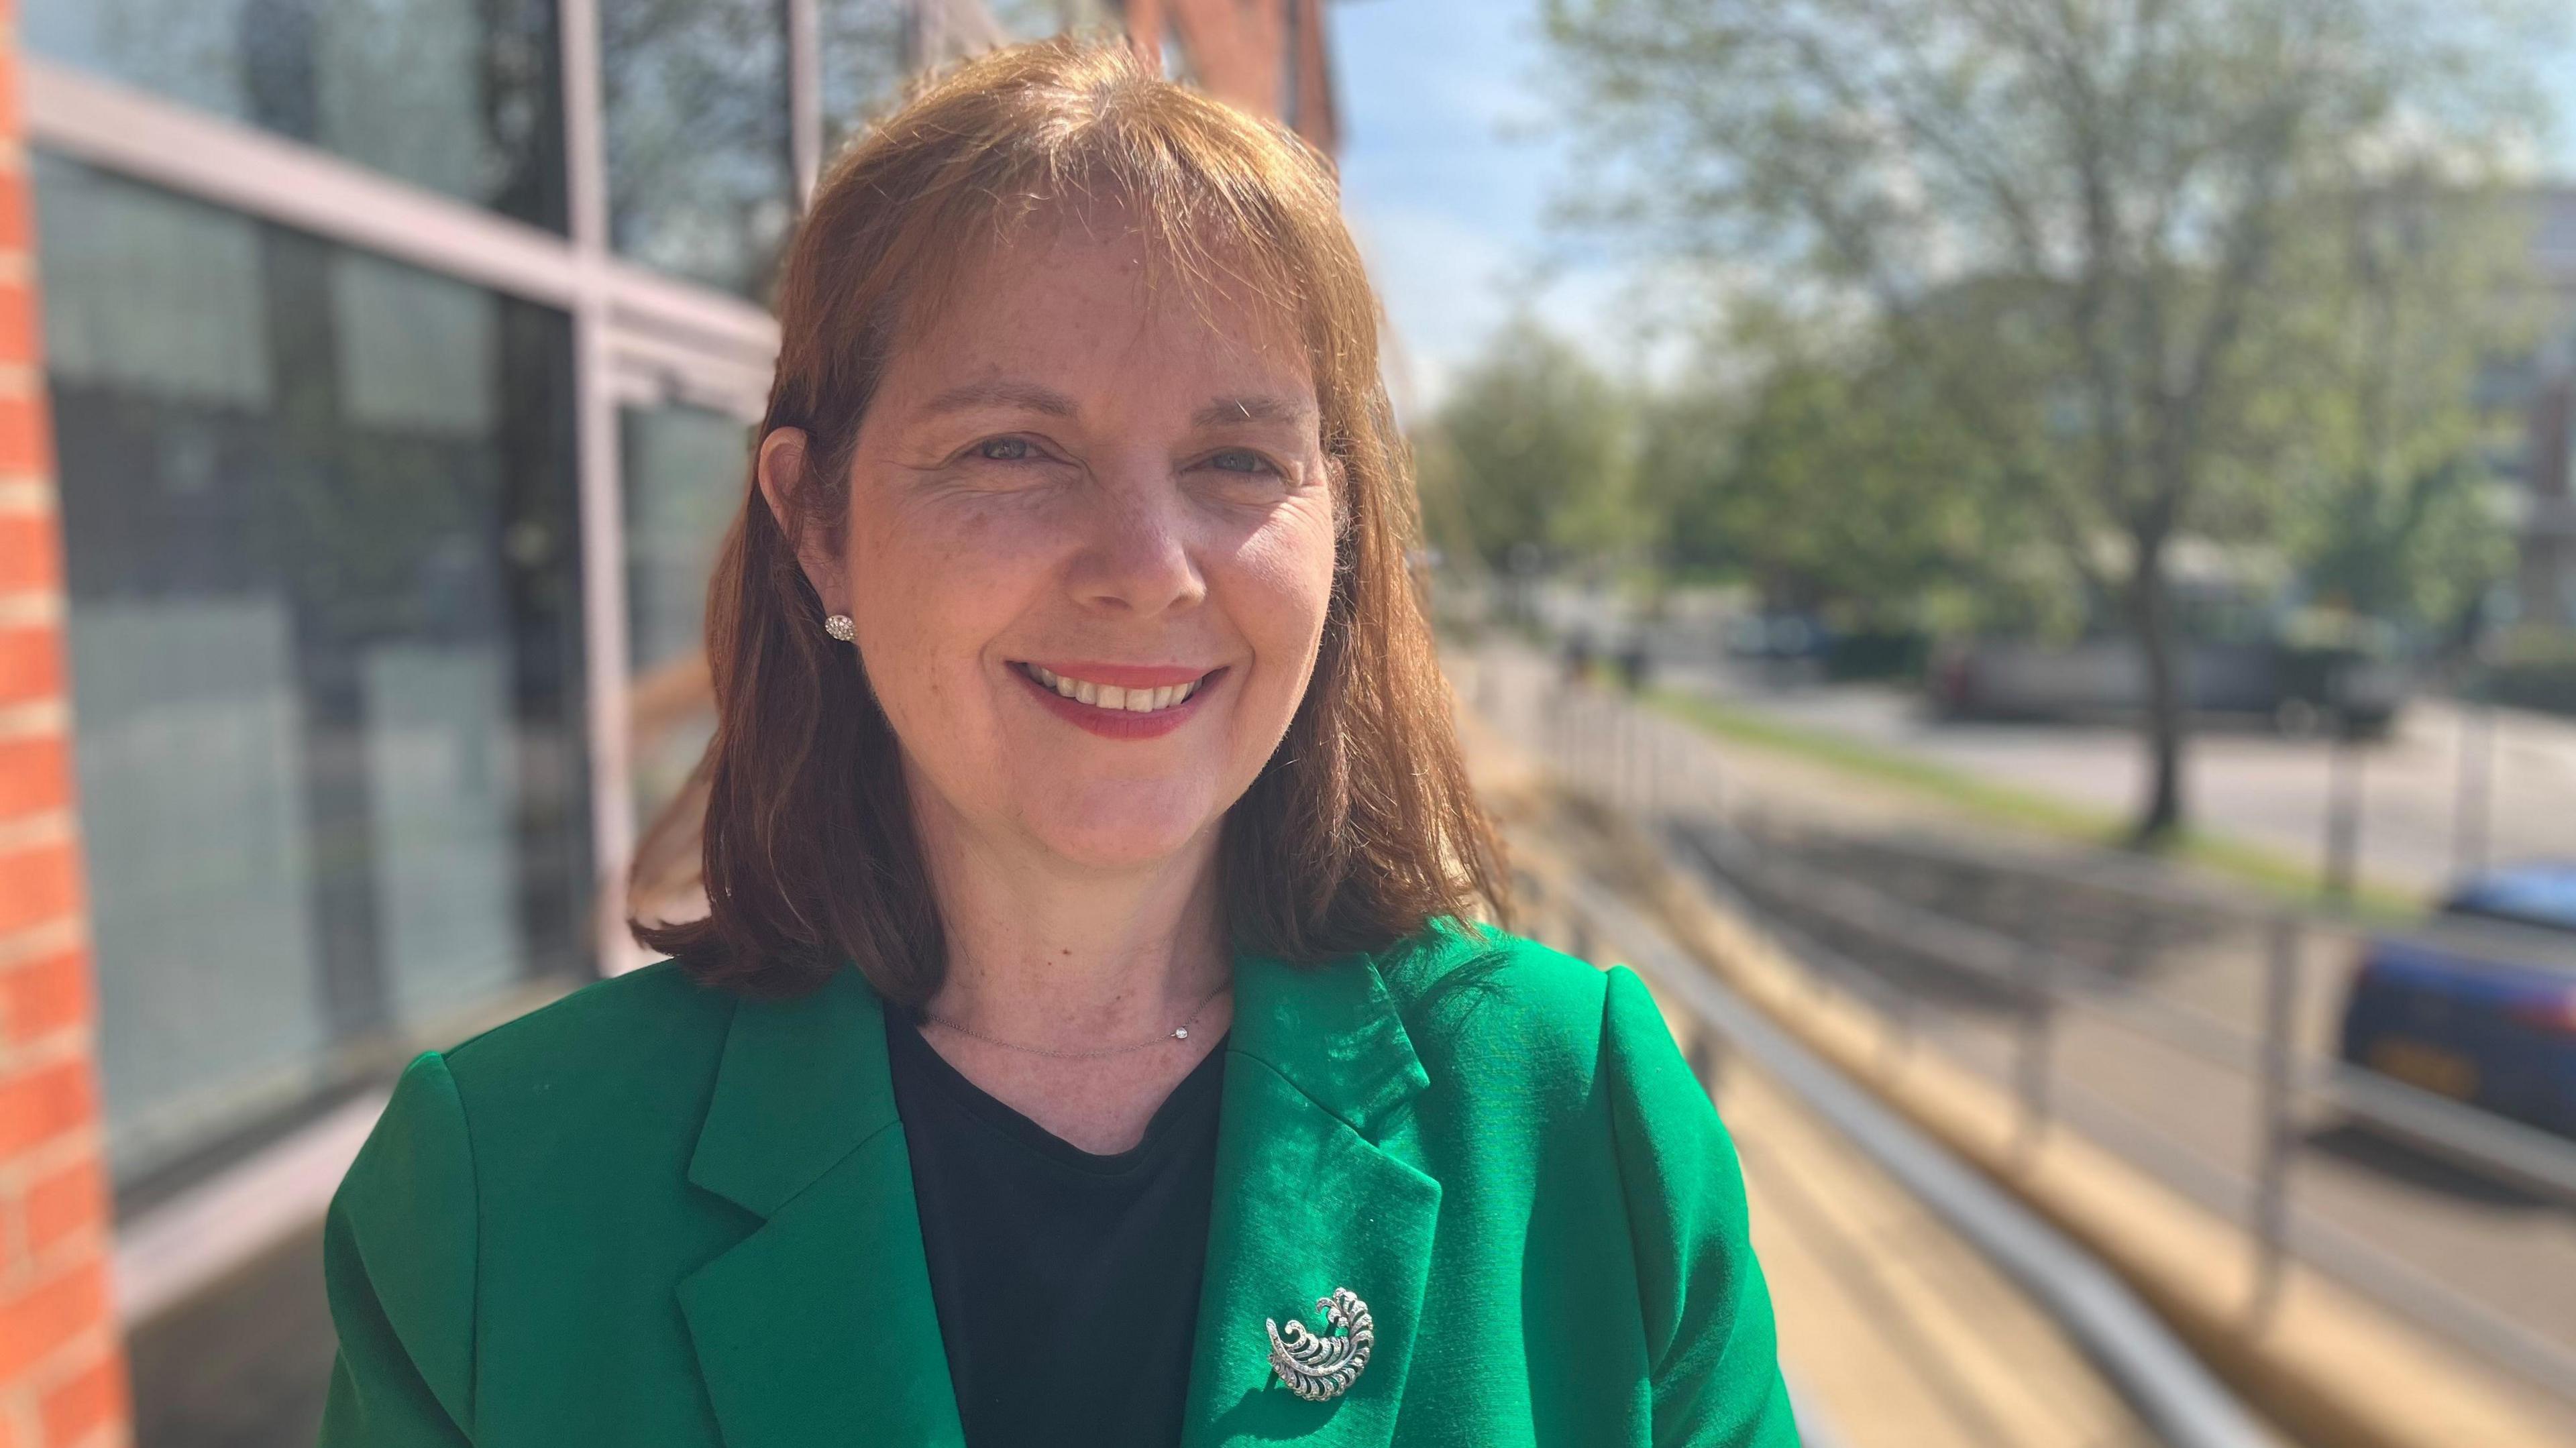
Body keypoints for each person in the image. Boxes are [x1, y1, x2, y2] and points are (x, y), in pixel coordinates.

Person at [315, 38, 1796, 1448]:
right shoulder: (499, 1195)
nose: (1146, 565)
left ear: (1341, 532)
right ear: (816, 522)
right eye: (1013, 448)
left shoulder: (1582, 1122)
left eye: (1236, 459)